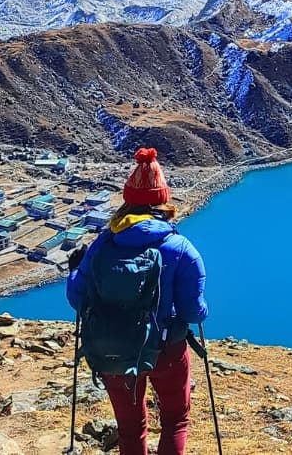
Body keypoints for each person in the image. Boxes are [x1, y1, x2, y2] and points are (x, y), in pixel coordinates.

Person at [67, 148, 208, 455]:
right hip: (167, 350)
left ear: (127, 200)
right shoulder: (181, 248)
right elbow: (193, 311)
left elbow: (77, 297)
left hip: (113, 349)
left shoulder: (104, 243)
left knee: (131, 427)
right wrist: (202, 309)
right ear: (163, 201)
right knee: (175, 420)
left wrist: (75, 270)